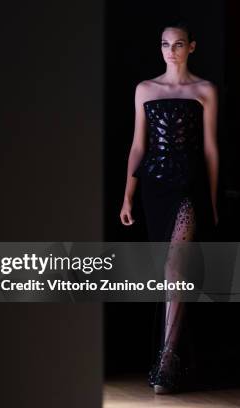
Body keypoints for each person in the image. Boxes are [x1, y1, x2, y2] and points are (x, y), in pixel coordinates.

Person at [119, 21, 219, 394]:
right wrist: (127, 195)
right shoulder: (145, 89)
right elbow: (137, 146)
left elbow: (210, 148)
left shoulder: (205, 89)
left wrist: (212, 199)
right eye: (164, 44)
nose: (170, 51)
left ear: (191, 47)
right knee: (165, 269)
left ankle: (167, 360)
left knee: (176, 266)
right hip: (154, 187)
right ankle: (172, 355)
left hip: (189, 184)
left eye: (178, 44)